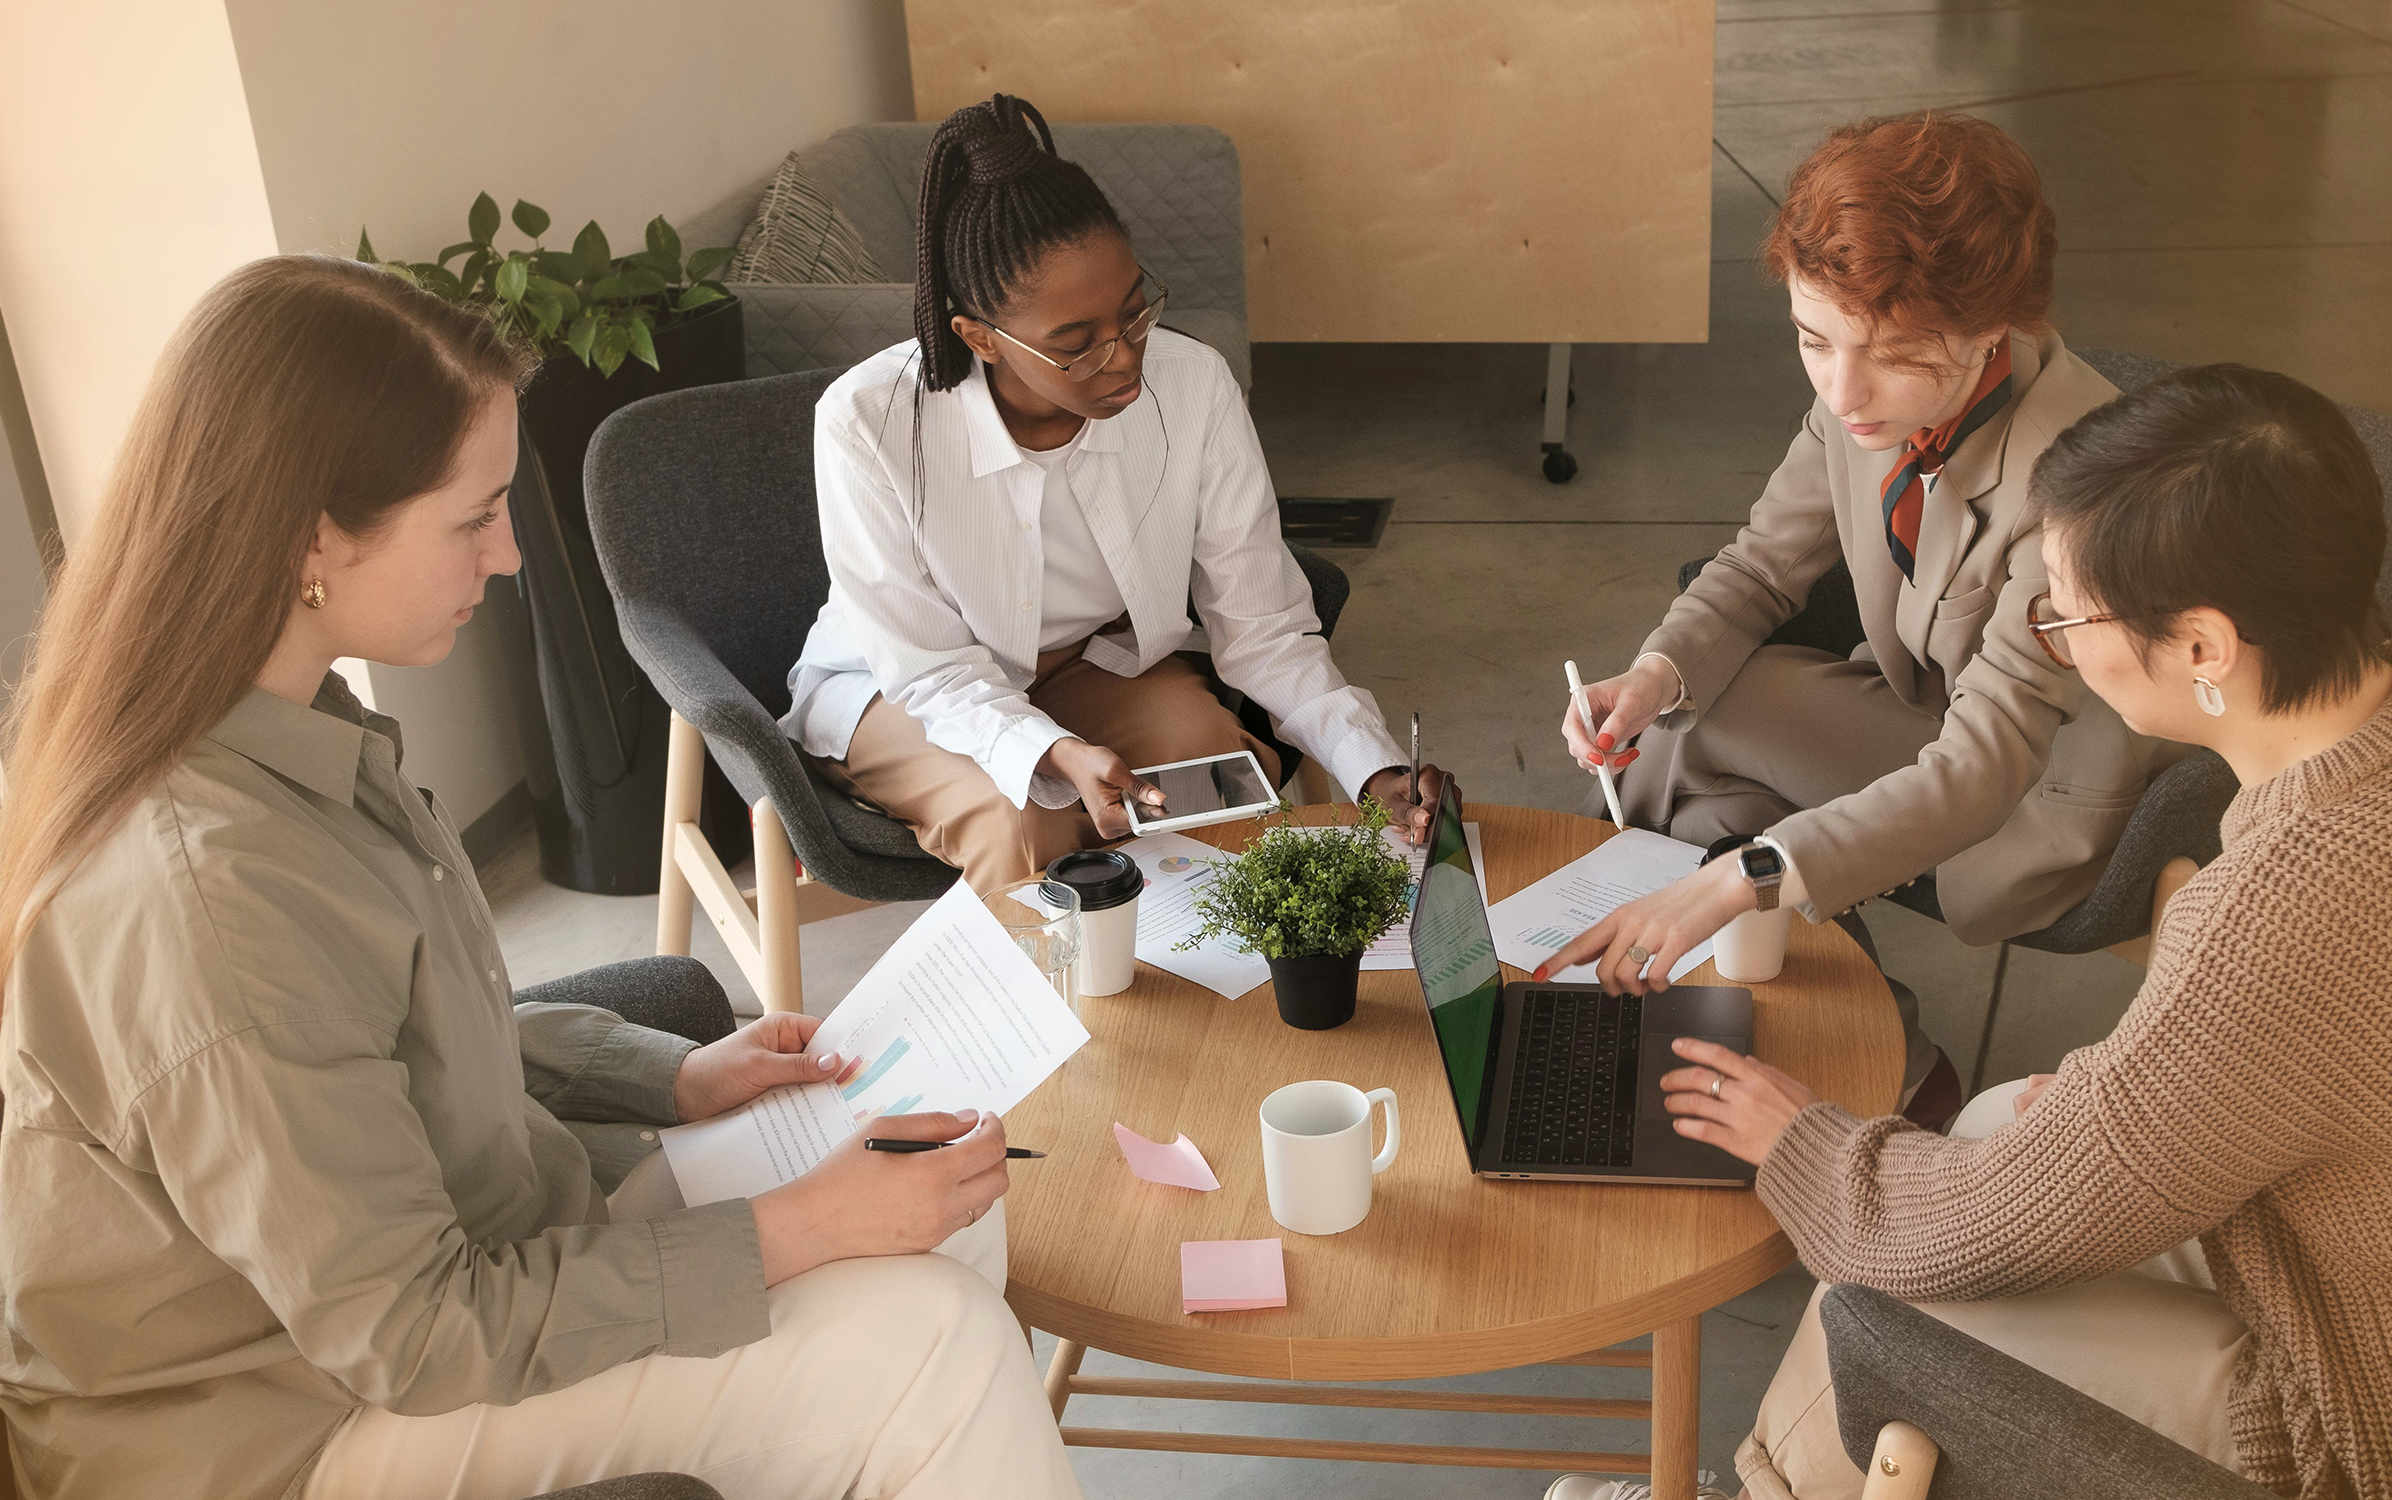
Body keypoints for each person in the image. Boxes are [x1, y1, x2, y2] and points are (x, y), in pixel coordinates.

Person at [0, 256, 1082, 1500]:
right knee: (928, 1346)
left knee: (933, 1183)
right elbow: (414, 1334)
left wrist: (672, 1073)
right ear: (313, 536)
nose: (510, 557)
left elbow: (406, 1041)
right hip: (293, 1423)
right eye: (473, 517)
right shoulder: (209, 901)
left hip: (465, 1258)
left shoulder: (296, 734)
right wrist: (804, 1230)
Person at [1583, 365, 2392, 1499]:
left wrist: (1796, 1137)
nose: (2057, 642)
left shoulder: (2285, 911)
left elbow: (1985, 1225)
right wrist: (2126, 1116)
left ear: (2203, 645)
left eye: (2065, 615)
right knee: (2000, 1119)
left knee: (1895, 1287)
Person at [1553, 113, 2167, 1124]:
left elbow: (1983, 766)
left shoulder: (2079, 485)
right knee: (1681, 738)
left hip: (2036, 791)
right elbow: (1758, 568)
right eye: (1813, 339)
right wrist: (1654, 676)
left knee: (1696, 795)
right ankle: (1873, 1049)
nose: (1843, 390)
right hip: (1936, 721)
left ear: (1991, 328)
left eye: (1886, 353)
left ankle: (1820, 1048)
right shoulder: (1872, 397)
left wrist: (1745, 879)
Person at [784, 95, 1448, 892]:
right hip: (904, 688)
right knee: (1023, 818)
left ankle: (1226, 1007)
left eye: (1133, 314)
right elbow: (925, 670)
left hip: (1093, 664)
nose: (1125, 358)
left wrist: (1371, 766)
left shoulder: (1191, 384)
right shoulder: (869, 423)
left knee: (1222, 784)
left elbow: (1263, 626)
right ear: (980, 338)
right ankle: (1064, 1016)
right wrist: (1050, 750)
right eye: (1075, 344)